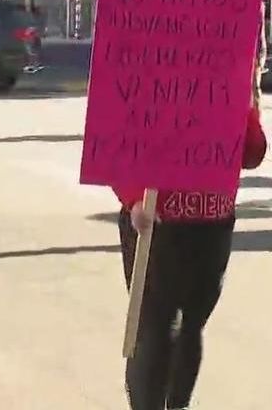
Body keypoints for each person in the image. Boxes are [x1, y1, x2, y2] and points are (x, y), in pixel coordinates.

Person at [114, 84, 266, 410]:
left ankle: (178, 404)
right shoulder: (147, 70)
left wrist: (248, 107)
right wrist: (134, 198)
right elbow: (115, 136)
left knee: (191, 324)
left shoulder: (228, 75)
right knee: (156, 327)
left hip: (211, 224)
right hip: (156, 220)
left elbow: (252, 154)